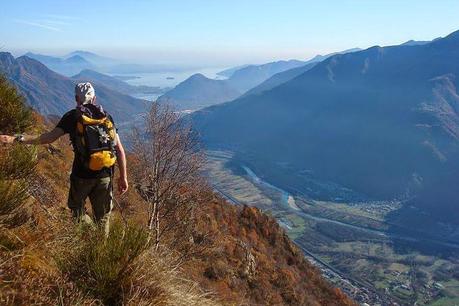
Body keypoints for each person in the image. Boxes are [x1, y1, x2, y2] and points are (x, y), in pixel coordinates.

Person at [0, 82, 128, 225]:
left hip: (82, 175)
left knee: (76, 209)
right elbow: (120, 151)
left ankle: (90, 235)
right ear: (94, 98)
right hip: (105, 175)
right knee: (103, 218)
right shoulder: (106, 117)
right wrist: (123, 177)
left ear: (76, 98)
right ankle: (100, 245)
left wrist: (16, 139)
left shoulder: (72, 117)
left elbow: (47, 138)